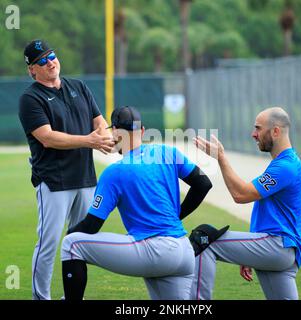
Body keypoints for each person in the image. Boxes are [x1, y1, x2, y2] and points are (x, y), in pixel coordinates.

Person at [60, 106, 213, 300]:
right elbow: (204, 183)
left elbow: (91, 226)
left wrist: (71, 231)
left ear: (114, 131)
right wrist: (176, 217)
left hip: (154, 251)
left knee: (71, 244)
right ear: (141, 130)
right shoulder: (168, 152)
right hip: (183, 252)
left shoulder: (114, 172)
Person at [18, 39, 113, 300]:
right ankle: (41, 297)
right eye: (41, 61)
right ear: (32, 70)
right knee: (48, 244)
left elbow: (99, 121)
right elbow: (47, 138)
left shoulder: (78, 86)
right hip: (53, 181)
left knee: (80, 242)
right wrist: (90, 141)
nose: (50, 62)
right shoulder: (30, 98)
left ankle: (72, 297)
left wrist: (103, 137)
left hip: (84, 178)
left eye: (51, 56)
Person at [191, 107, 301, 300]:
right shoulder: (284, 163)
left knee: (204, 240)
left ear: (276, 131)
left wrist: (221, 158)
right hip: (280, 250)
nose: (253, 134)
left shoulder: (285, 167)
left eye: (258, 128)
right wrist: (249, 253)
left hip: (277, 247)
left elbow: (241, 194)